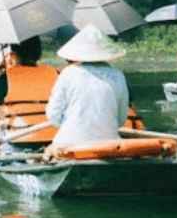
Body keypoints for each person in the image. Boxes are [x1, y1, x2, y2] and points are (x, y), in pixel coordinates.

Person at [44, 26, 129, 154]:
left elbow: (53, 116)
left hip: (69, 145)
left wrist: (72, 125)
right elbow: (121, 119)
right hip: (110, 145)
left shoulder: (68, 73)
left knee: (48, 152)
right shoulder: (118, 75)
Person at [0, 36, 60, 145]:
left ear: (13, 54)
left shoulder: (5, 77)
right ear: (39, 52)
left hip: (18, 140)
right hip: (53, 139)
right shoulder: (55, 73)